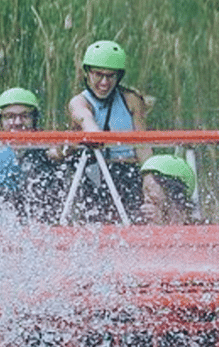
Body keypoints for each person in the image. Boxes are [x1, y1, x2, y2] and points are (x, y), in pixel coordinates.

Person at [67, 40, 152, 223]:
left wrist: (149, 177)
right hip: (95, 175)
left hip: (128, 173)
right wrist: (92, 131)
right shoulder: (79, 102)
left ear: (119, 77)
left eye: (110, 76)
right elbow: (84, 117)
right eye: (98, 75)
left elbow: (143, 145)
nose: (104, 82)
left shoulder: (131, 100)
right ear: (88, 73)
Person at [0, 87, 65, 222]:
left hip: (41, 219)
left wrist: (61, 152)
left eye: (25, 116)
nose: (17, 122)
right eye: (10, 116)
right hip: (0, 220)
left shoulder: (46, 145)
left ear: (34, 118)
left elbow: (58, 152)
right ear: (0, 121)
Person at [139, 155, 196, 225]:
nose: (146, 199)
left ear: (171, 191)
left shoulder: (195, 226)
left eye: (149, 191)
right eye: (144, 193)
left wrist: (160, 223)